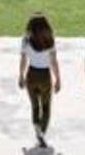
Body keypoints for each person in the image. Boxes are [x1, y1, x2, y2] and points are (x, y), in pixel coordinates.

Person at [19, 13, 61, 149]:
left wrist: (21, 75)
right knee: (46, 107)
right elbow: (54, 62)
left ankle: (37, 128)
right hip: (44, 76)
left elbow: (23, 59)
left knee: (35, 106)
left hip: (31, 74)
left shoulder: (26, 40)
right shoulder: (50, 41)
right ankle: (41, 133)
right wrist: (58, 79)